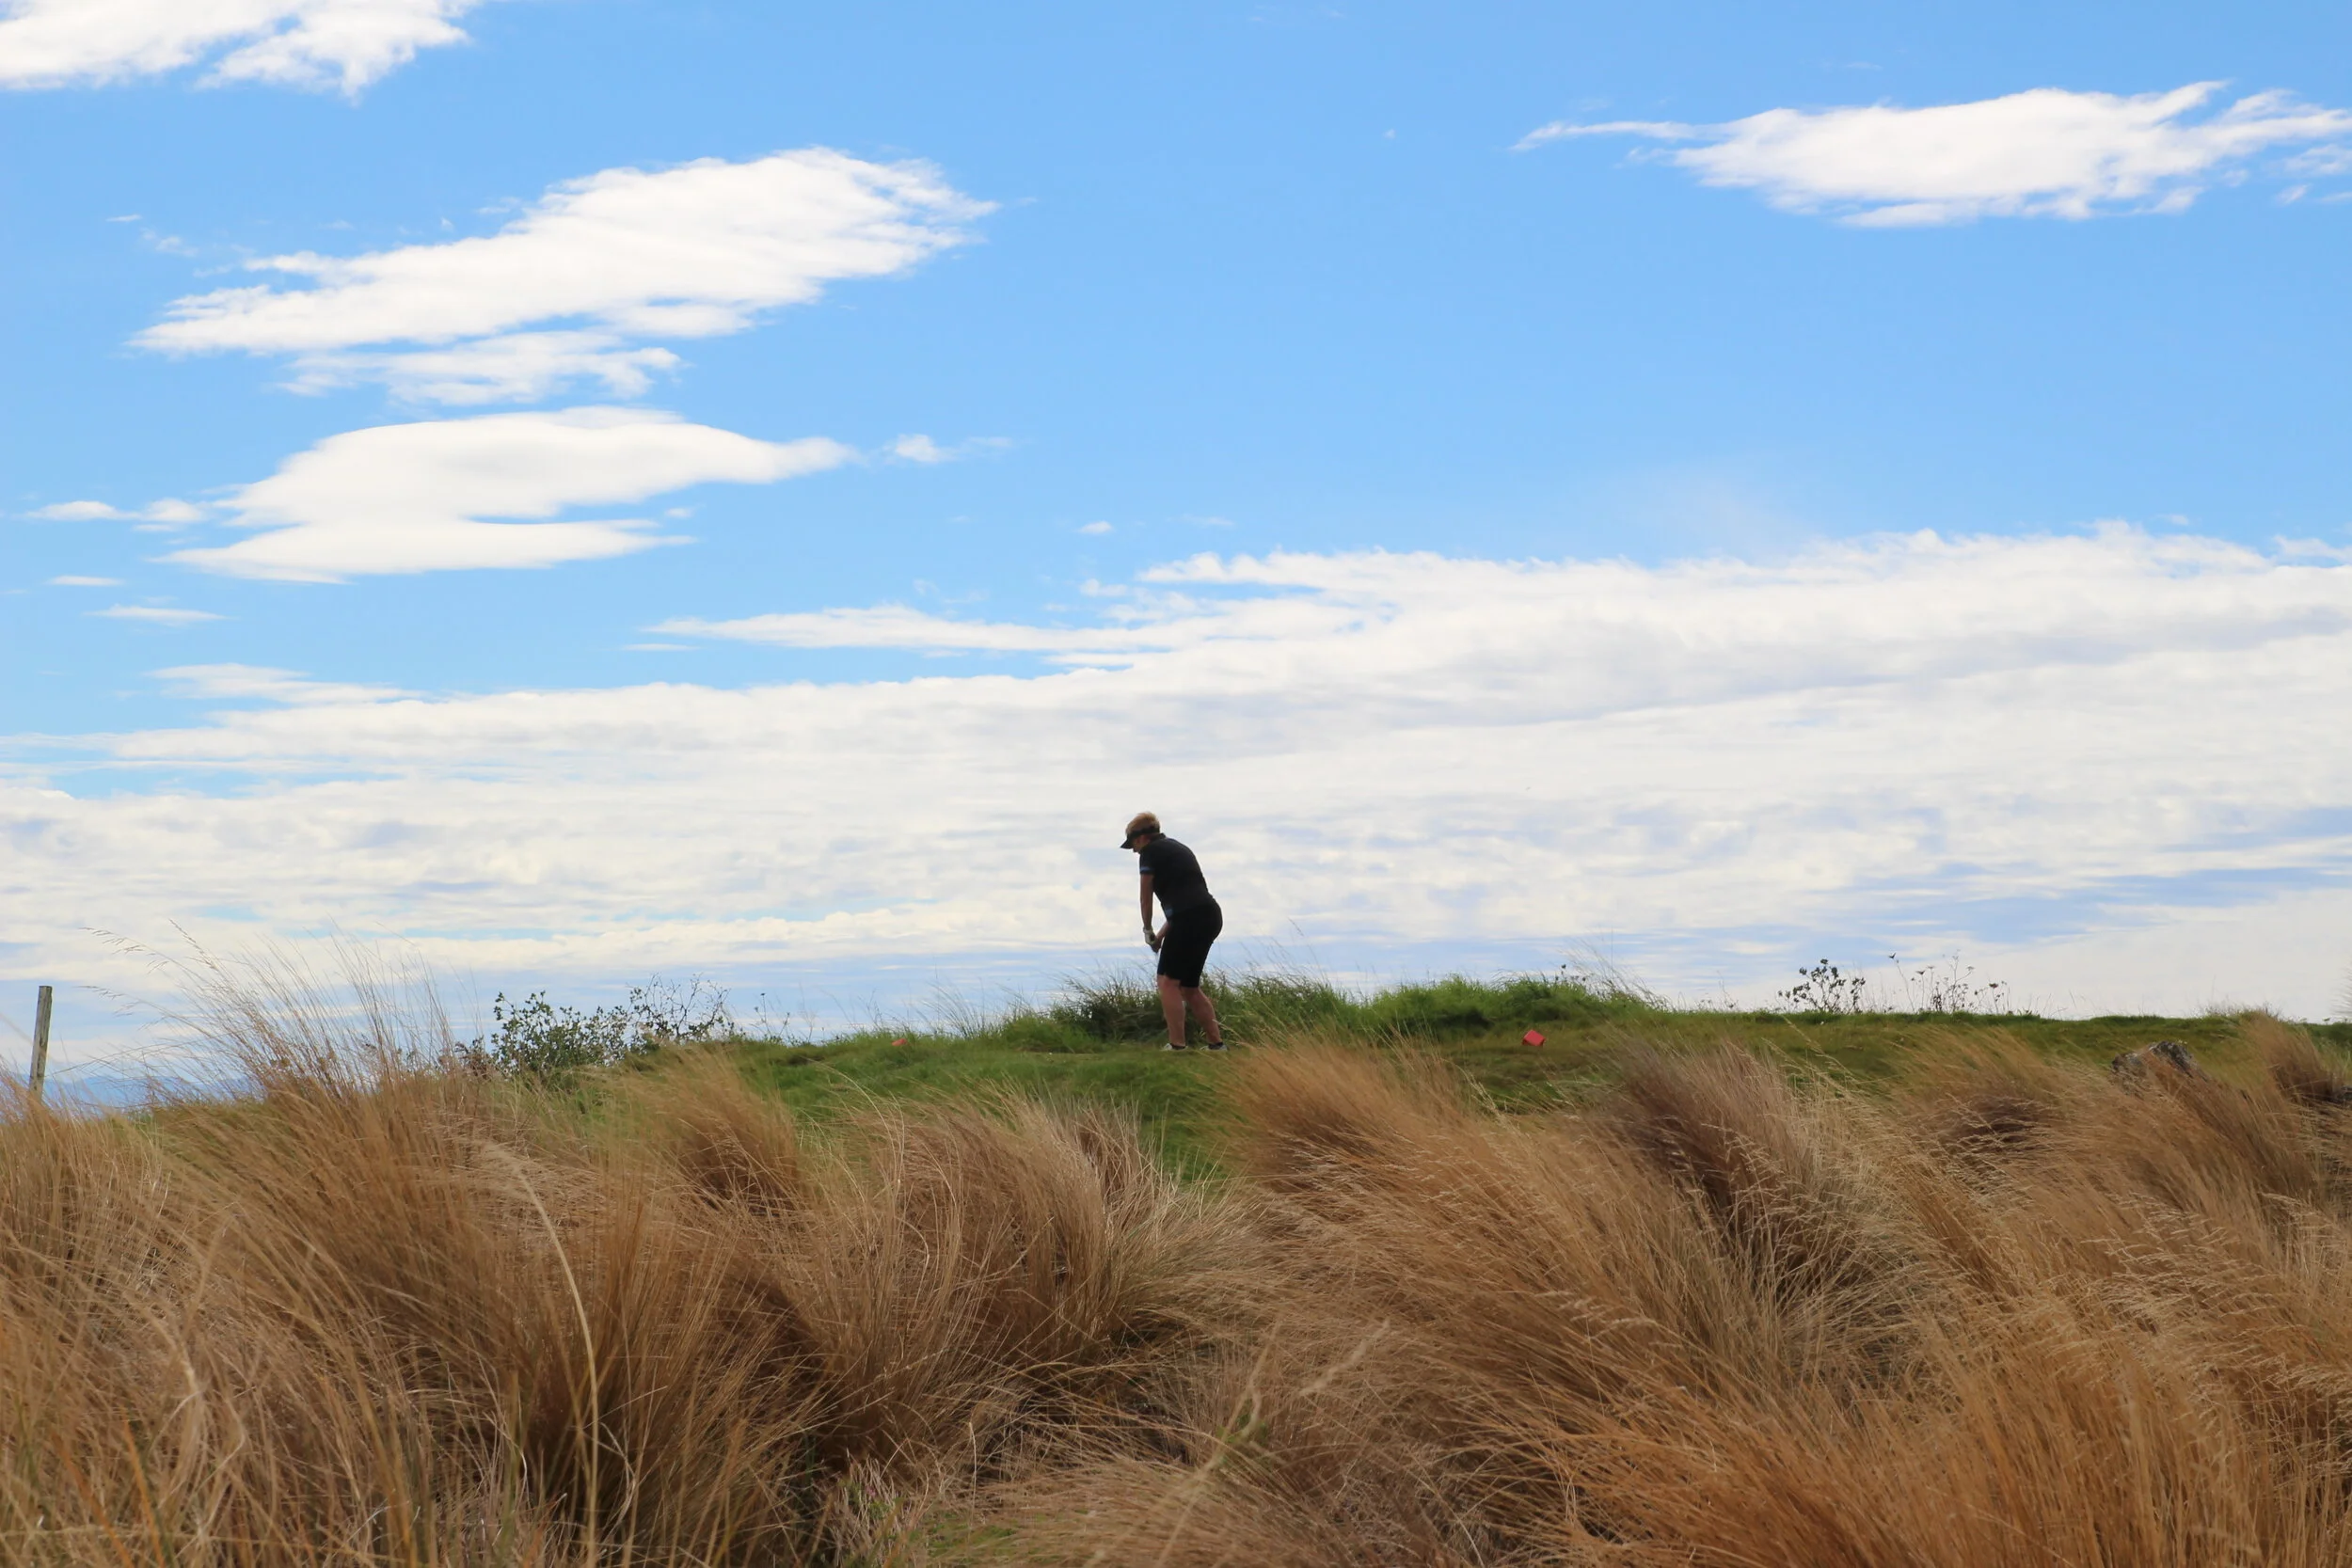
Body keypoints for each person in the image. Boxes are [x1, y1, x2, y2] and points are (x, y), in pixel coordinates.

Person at [1120, 811, 1226, 1051]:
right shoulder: (1179, 848)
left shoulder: (1150, 852)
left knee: (1167, 981)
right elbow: (1187, 903)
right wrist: (1160, 936)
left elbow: (1145, 896)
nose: (1134, 851)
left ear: (1141, 838)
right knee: (1189, 987)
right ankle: (1217, 1045)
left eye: (1133, 845)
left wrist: (1147, 929)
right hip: (1209, 915)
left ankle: (1177, 1045)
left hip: (1190, 918)